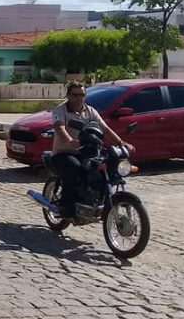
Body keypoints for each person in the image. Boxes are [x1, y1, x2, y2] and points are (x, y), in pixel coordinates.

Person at [51, 81, 135, 217]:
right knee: (74, 166)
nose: (79, 98)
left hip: (87, 152)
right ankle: (66, 205)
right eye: (75, 95)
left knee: (104, 166)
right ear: (68, 95)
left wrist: (121, 143)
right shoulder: (61, 110)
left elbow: (105, 129)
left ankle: (97, 198)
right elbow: (59, 127)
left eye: (82, 95)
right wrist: (69, 141)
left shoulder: (90, 111)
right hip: (64, 152)